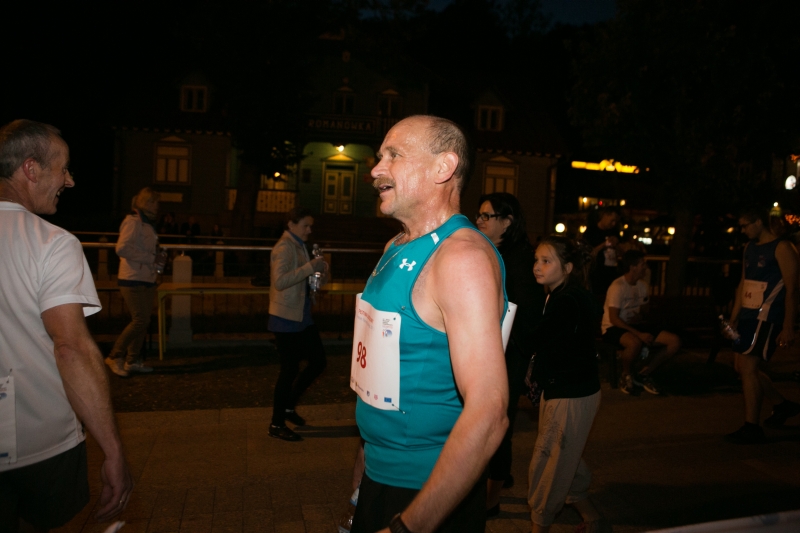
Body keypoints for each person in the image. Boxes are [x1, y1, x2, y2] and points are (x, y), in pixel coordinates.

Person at [350, 115, 509, 533]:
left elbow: (490, 410)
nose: (376, 169)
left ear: (443, 167)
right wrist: (359, 485)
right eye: (379, 156)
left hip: (427, 494)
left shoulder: (461, 258)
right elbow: (378, 376)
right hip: (379, 478)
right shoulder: (395, 245)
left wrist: (409, 527)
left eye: (394, 156)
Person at [0, 120, 133, 531]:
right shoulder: (52, 243)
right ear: (31, 168)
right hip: (41, 447)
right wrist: (112, 450)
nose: (70, 181)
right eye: (63, 168)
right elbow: (70, 348)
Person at [528, 236, 605, 533]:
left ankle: (540, 525)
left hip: (571, 392)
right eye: (536, 260)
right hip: (566, 388)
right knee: (563, 457)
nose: (537, 266)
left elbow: (535, 339)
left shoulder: (567, 301)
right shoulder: (562, 295)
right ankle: (593, 519)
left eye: (546, 261)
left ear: (568, 267)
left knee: (549, 463)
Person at [475, 192, 546, 516]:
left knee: (496, 420)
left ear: (507, 222)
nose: (479, 220)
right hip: (492, 349)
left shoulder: (518, 259)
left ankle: (492, 498)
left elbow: (527, 314)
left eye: (487, 216)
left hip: (508, 354)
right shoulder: (493, 251)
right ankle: (497, 476)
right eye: (479, 214)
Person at [725, 207, 800, 444]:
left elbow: (792, 289)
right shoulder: (749, 247)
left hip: (766, 315)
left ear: (758, 222)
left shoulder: (782, 248)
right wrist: (734, 316)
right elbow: (744, 282)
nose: (743, 230)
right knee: (742, 367)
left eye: (745, 225)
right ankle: (782, 404)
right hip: (748, 315)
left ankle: (752, 426)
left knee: (748, 366)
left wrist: (788, 326)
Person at [268, 207, 329, 442]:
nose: (309, 230)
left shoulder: (300, 245)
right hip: (285, 318)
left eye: (310, 225)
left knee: (317, 362)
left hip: (301, 316)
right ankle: (277, 423)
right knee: (289, 370)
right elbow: (280, 281)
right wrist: (310, 267)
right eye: (306, 225)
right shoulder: (284, 247)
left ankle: (287, 407)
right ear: (291, 225)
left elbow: (307, 277)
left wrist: (321, 272)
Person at [600, 250, 681, 395]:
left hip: (634, 325)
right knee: (634, 342)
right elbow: (614, 318)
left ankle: (644, 374)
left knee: (674, 341)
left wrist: (640, 316)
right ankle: (626, 375)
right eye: (643, 264)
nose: (646, 267)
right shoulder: (617, 286)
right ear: (633, 267)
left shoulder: (642, 285)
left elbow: (644, 310)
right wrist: (639, 334)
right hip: (613, 327)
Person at [105, 187, 162, 377]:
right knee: (140, 320)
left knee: (143, 321)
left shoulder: (147, 223)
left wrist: (155, 263)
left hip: (145, 277)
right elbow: (122, 248)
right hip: (132, 278)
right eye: (153, 201)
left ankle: (132, 360)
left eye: (157, 202)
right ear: (145, 203)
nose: (157, 205)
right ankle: (115, 356)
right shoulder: (133, 221)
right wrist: (150, 258)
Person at [582, 206, 621, 299]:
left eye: (615, 221)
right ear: (605, 215)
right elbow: (588, 252)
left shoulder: (614, 232)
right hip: (596, 273)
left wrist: (617, 244)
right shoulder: (591, 232)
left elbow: (620, 250)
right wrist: (604, 244)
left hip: (611, 271)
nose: (613, 224)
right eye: (612, 220)